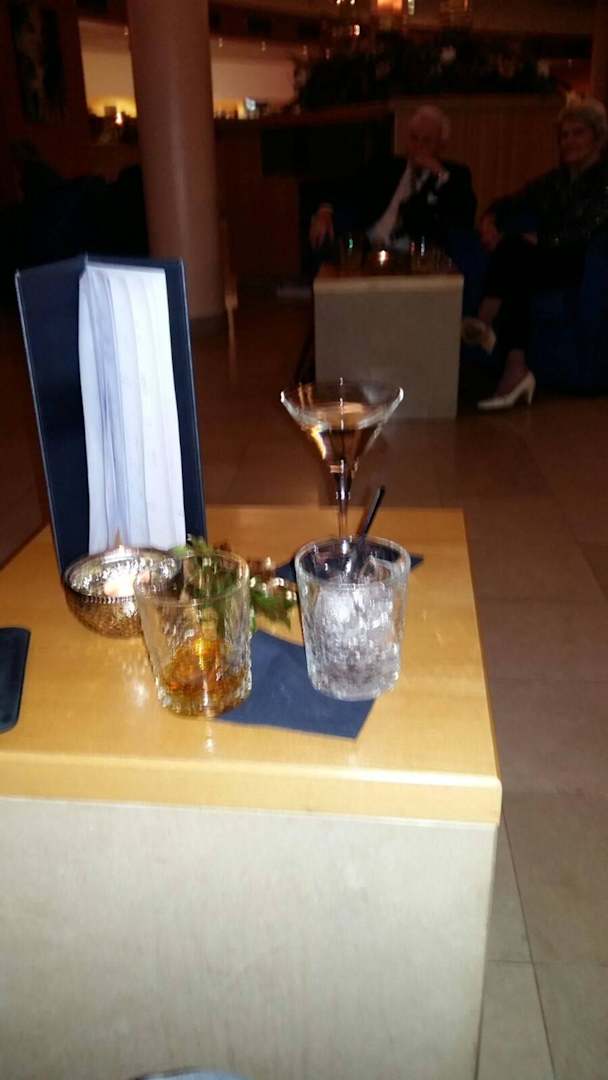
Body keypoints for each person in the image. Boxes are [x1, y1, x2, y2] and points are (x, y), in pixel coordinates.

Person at [463, 96, 608, 411]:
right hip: (542, 261)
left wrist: (543, 239)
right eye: (564, 135)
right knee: (518, 267)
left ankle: (484, 320)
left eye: (578, 133)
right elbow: (509, 202)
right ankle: (516, 367)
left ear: (597, 138)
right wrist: (490, 220)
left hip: (583, 263)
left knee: (516, 252)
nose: (569, 141)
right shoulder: (556, 181)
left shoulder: (604, 179)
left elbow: (589, 229)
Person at [309, 105, 476, 256]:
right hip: (370, 248)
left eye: (426, 141)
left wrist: (440, 175)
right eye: (414, 138)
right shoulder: (386, 167)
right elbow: (345, 185)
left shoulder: (452, 176)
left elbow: (464, 215)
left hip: (413, 255)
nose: (418, 146)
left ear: (441, 146)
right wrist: (324, 212)